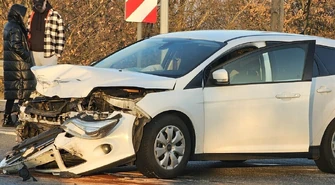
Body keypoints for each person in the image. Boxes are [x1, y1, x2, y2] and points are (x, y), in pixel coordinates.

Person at [3, 4, 36, 127]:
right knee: (23, 92)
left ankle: (8, 118)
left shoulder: (8, 25)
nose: (24, 16)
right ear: (17, 14)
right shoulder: (15, 27)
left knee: (12, 94)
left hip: (13, 63)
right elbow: (16, 45)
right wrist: (27, 56)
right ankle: (20, 118)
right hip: (19, 65)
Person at [28, 0, 65, 66]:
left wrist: (57, 54)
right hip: (32, 54)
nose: (38, 7)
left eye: (40, 4)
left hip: (49, 54)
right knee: (34, 76)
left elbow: (61, 35)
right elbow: (28, 32)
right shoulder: (31, 14)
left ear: (45, 1)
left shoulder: (54, 15)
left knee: (49, 76)